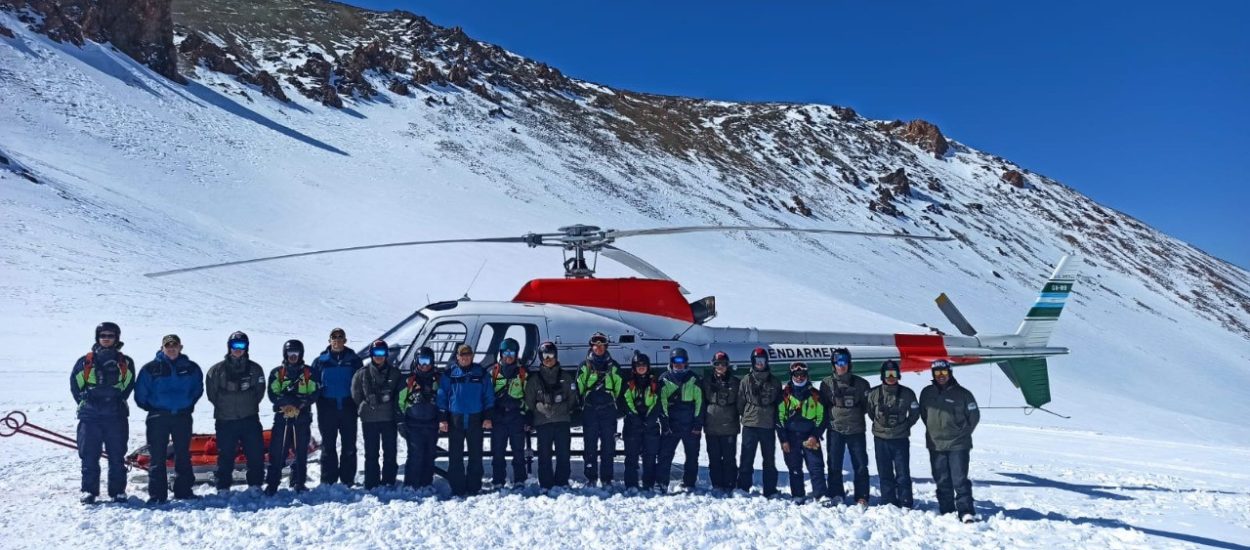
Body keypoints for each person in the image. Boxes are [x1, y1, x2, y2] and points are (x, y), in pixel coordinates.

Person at [134, 334, 204, 504]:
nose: (171, 348)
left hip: (182, 416)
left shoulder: (191, 368)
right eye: (168, 346)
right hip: (158, 417)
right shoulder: (150, 369)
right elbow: (140, 393)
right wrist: (154, 407)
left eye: (174, 345)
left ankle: (183, 491)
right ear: (162, 348)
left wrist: (186, 405)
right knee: (157, 456)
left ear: (180, 347)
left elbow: (197, 389)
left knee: (182, 454)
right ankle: (157, 495)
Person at [70, 322, 135, 504]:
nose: (106, 339)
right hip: (90, 416)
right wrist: (88, 401)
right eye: (103, 335)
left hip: (116, 416)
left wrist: (113, 399)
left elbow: (128, 386)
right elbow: (75, 386)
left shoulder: (126, 362)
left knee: (116, 455)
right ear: (98, 337)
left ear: (117, 338)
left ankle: (118, 492)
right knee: (89, 455)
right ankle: (89, 491)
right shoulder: (85, 361)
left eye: (111, 336)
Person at [919, 359, 980, 522]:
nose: (941, 376)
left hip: (958, 445)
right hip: (935, 444)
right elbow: (924, 415)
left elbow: (974, 417)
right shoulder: (926, 393)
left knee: (959, 479)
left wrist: (961, 434)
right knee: (942, 479)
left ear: (950, 373)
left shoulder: (963, 394)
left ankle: (966, 511)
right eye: (937, 373)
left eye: (944, 372)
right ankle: (946, 509)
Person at [205, 331, 266, 492]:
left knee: (255, 454)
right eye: (234, 346)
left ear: (246, 348)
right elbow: (212, 395)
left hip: (249, 419)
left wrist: (245, 404)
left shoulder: (255, 369)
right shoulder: (217, 371)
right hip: (226, 420)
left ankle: (255, 485)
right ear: (229, 347)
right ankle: (223, 487)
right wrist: (227, 405)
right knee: (225, 455)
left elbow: (259, 392)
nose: (238, 349)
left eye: (241, 346)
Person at [265, 340, 322, 495]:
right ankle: (272, 484)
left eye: (296, 353)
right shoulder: (277, 373)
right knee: (277, 451)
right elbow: (273, 393)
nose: (293, 356)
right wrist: (286, 402)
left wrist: (299, 403)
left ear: (301, 354)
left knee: (301, 451)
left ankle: (298, 482)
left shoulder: (309, 373)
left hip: (301, 417)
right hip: (282, 417)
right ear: (285, 354)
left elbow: (314, 393)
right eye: (290, 353)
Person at [437, 344, 495, 496]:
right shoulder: (450, 374)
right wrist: (443, 419)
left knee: (475, 454)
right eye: (462, 355)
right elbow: (442, 396)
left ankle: (474, 486)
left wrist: (488, 417)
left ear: (472, 355)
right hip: (456, 419)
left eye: (468, 354)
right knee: (455, 455)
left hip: (476, 419)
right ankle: (457, 487)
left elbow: (488, 396)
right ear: (457, 356)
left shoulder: (481, 373)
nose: (465, 357)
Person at [523, 341, 579, 491]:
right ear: (541, 358)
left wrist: (559, 409)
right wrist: (542, 409)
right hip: (543, 423)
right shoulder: (534, 380)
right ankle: (546, 484)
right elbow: (529, 401)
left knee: (563, 454)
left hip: (562, 421)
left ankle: (562, 482)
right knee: (544, 455)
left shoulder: (566, 377)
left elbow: (572, 398)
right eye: (545, 355)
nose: (548, 358)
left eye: (551, 355)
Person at [818, 347, 871, 506]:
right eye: (838, 362)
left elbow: (866, 406)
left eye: (844, 362)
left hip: (856, 430)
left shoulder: (861, 384)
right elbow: (824, 406)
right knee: (834, 464)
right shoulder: (826, 384)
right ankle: (836, 493)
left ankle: (862, 496)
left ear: (849, 363)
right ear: (833, 364)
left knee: (860, 465)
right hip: (835, 430)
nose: (841, 365)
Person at [313, 327, 363, 487]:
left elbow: (361, 383)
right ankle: (328, 479)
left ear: (345, 340)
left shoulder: (354, 360)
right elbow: (312, 384)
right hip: (327, 407)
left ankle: (347, 478)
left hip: (348, 406)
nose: (337, 340)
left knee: (349, 444)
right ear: (329, 341)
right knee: (328, 444)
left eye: (340, 337)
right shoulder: (321, 361)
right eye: (334, 338)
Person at [866, 360, 920, 508]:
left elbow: (915, 412)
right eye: (888, 374)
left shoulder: (907, 393)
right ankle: (888, 501)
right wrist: (880, 425)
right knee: (885, 472)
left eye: (894, 374)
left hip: (900, 439)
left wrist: (905, 425)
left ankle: (905, 501)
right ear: (882, 376)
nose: (891, 377)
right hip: (880, 439)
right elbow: (871, 412)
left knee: (903, 473)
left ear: (898, 375)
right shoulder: (874, 393)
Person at [351, 339, 402, 490]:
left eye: (382, 353)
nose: (379, 356)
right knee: (371, 452)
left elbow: (399, 395)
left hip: (389, 418)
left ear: (386, 354)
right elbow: (356, 394)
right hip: (369, 419)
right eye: (376, 353)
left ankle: (389, 480)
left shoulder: (395, 373)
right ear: (371, 354)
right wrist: (363, 407)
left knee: (390, 451)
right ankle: (371, 482)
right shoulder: (362, 373)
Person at [576, 332, 622, 487]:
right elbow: (579, 389)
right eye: (596, 345)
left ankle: (607, 478)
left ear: (606, 346)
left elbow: (619, 389)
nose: (598, 348)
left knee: (608, 446)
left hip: (608, 410)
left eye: (601, 345)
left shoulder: (614, 367)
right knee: (590, 446)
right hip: (590, 410)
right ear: (591, 347)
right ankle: (591, 477)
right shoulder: (584, 366)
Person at [777, 362, 827, 504]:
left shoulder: (815, 395)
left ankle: (821, 495)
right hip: (791, 437)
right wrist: (783, 439)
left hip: (809, 436)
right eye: (796, 375)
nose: (799, 378)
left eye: (802, 375)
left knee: (816, 466)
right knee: (794, 467)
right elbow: (779, 419)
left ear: (807, 376)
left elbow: (822, 417)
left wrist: (815, 435)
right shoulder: (784, 395)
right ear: (791, 375)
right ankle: (798, 495)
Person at [656, 347, 703, 493]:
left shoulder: (694, 379)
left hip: (690, 424)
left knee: (692, 456)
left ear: (686, 362)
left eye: (682, 361)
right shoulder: (664, 379)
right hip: (672, 424)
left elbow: (700, 403)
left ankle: (689, 482)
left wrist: (697, 423)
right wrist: (665, 423)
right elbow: (661, 403)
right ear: (671, 362)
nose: (679, 364)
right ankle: (662, 483)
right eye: (676, 361)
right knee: (665, 455)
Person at [737, 347, 781, 497]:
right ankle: (743, 487)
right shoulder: (746, 380)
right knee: (746, 458)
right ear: (753, 362)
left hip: (767, 425)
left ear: (766, 362)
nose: (760, 364)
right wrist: (747, 415)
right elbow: (740, 402)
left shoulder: (774, 381)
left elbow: (777, 403)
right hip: (750, 425)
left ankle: (770, 489)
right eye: (757, 361)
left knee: (769, 459)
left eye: (762, 361)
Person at [488, 338, 529, 489]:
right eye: (506, 352)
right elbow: (487, 396)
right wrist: (490, 415)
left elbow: (528, 396)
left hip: (516, 416)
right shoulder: (493, 372)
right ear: (501, 353)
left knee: (518, 450)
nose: (508, 355)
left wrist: (526, 416)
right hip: (498, 417)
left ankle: (519, 479)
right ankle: (498, 480)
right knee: (498, 450)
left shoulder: (523, 373)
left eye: (512, 352)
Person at [397, 346, 440, 489]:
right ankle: (411, 484)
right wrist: (401, 422)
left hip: (432, 423)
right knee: (415, 455)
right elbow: (399, 402)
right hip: (413, 424)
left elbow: (444, 400)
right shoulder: (408, 380)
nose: (425, 365)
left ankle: (426, 483)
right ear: (416, 361)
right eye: (422, 361)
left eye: (428, 361)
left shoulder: (437, 380)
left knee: (429, 455)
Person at [622, 351, 661, 491]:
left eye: (644, 365)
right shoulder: (629, 383)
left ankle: (648, 484)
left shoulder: (654, 383)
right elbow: (627, 401)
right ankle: (631, 484)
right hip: (633, 425)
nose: (641, 368)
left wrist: (650, 419)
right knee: (631, 457)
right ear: (634, 367)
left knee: (650, 457)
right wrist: (635, 418)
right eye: (638, 365)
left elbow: (657, 402)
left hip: (650, 425)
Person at [702, 351, 739, 493]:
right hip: (711, 426)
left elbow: (740, 403)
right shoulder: (706, 381)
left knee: (729, 458)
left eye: (723, 364)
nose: (720, 367)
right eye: (717, 364)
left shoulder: (735, 382)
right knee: (714, 458)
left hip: (729, 426)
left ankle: (730, 484)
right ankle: (717, 484)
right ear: (713, 365)